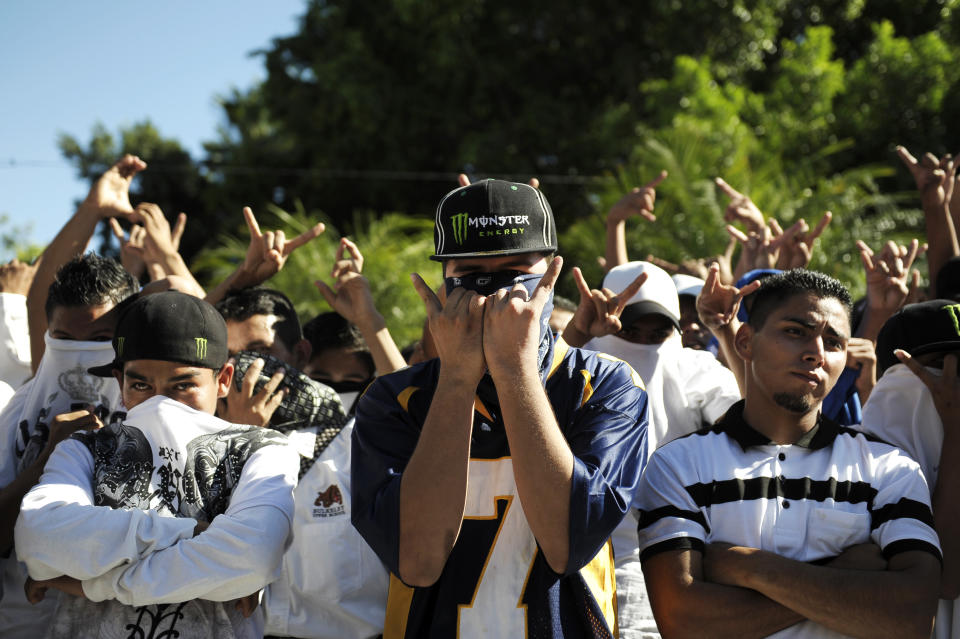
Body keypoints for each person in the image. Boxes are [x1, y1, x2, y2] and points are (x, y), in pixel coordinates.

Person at [351, 178, 649, 638]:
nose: (491, 292)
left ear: (550, 274)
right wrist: (456, 378)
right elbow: (418, 560)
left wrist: (514, 370)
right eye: (471, 273)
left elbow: (566, 543)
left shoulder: (606, 384)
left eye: (513, 269)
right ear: (443, 281)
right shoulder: (393, 399)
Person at [637, 269, 941, 638]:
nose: (816, 353)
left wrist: (749, 568)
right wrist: (847, 573)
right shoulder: (678, 466)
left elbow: (913, 617)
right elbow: (683, 622)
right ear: (745, 341)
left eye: (833, 342)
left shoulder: (890, 468)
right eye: (796, 332)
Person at [14, 291, 298, 639]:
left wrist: (91, 584)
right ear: (120, 384)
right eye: (141, 385)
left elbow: (254, 556)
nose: (161, 402)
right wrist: (189, 532)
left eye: (183, 385)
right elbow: (38, 535)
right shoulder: (85, 449)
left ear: (222, 379)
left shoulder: (261, 450)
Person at [562, 261, 740, 639]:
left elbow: (752, 422)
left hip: (682, 560)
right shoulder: (574, 362)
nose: (642, 343)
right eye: (630, 330)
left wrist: (726, 333)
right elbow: (524, 386)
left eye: (657, 331)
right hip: (582, 561)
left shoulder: (695, 368)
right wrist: (577, 333)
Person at [216, 286, 390, 639]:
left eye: (257, 353)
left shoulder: (358, 444)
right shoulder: (200, 448)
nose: (241, 370)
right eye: (229, 355)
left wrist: (370, 320)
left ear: (299, 354)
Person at [0, 253, 137, 638]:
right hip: (22, 625)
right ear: (48, 334)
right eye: (64, 340)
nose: (79, 355)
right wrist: (46, 460)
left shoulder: (151, 415)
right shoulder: (11, 415)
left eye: (99, 341)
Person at [860, 299, 960, 638]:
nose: (953, 383)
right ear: (894, 381)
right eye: (939, 366)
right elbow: (945, 579)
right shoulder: (847, 460)